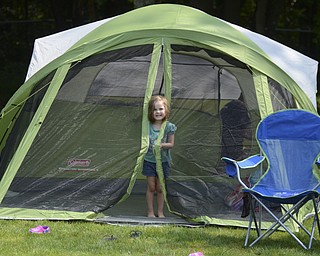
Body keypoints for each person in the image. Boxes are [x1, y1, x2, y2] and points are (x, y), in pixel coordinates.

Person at [142, 95, 177, 218]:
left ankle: (160, 211)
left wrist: (162, 145)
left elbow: (171, 144)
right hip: (149, 161)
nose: (158, 112)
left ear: (166, 110)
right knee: (151, 187)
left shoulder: (169, 126)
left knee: (160, 188)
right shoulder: (147, 126)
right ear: (151, 111)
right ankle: (150, 211)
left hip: (163, 161)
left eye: (161, 109)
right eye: (155, 109)